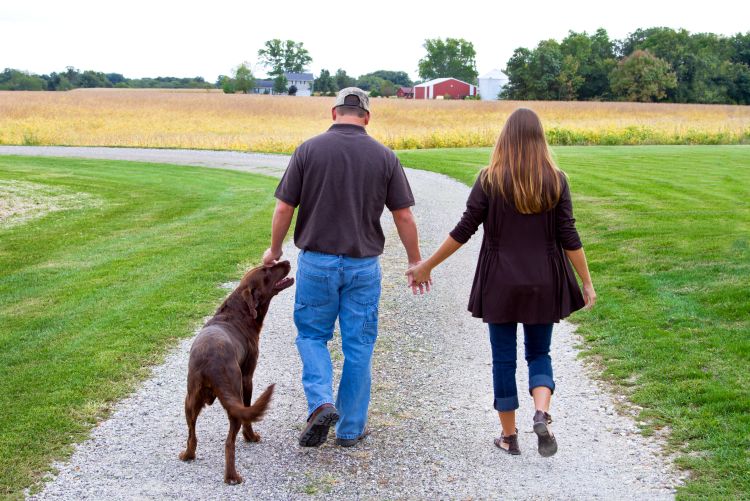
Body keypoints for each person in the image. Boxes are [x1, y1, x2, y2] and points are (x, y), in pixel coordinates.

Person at [406, 108, 596, 457]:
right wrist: (586, 281)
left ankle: (509, 437)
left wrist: (427, 265)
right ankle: (541, 412)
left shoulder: (489, 179)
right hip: (544, 280)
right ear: (540, 139)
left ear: (504, 138)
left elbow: (464, 230)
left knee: (503, 359)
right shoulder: (556, 180)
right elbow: (569, 236)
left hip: (499, 282)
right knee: (540, 353)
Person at [263, 87, 424, 448]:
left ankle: (320, 402)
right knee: (359, 346)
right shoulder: (385, 156)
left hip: (317, 262)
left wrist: (274, 250)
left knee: (311, 335)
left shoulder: (308, 150)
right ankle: (350, 430)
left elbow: (284, 208)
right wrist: (415, 261)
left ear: (333, 113)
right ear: (366, 116)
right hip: (363, 267)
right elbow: (404, 215)